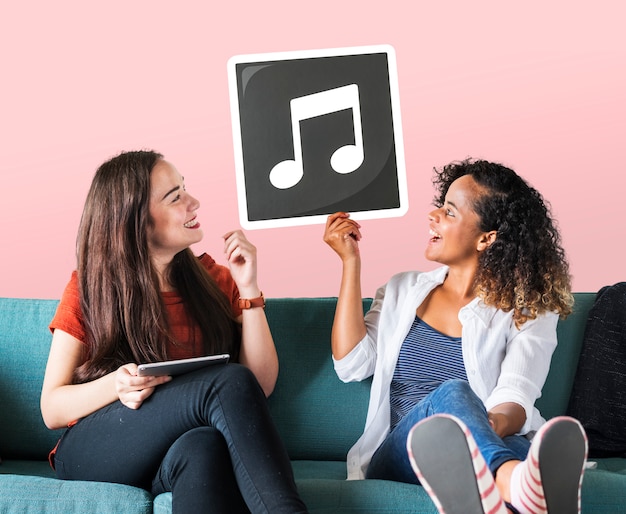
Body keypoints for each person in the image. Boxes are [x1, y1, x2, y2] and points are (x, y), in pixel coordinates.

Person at [40, 150, 308, 514]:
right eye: (175, 197)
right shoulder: (89, 289)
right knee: (227, 381)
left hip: (174, 453)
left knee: (205, 445)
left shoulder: (217, 281)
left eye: (185, 189)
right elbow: (52, 409)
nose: (193, 202)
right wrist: (116, 385)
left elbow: (258, 386)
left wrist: (249, 288)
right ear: (136, 222)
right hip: (99, 448)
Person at [323, 158, 587, 514]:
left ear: (486, 239)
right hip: (404, 451)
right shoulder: (401, 291)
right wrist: (350, 263)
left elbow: (516, 394)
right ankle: (511, 481)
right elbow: (351, 364)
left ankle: (512, 489)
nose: (432, 216)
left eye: (449, 212)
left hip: (486, 441)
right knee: (453, 394)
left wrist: (477, 426)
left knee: (524, 459)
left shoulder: (529, 308)